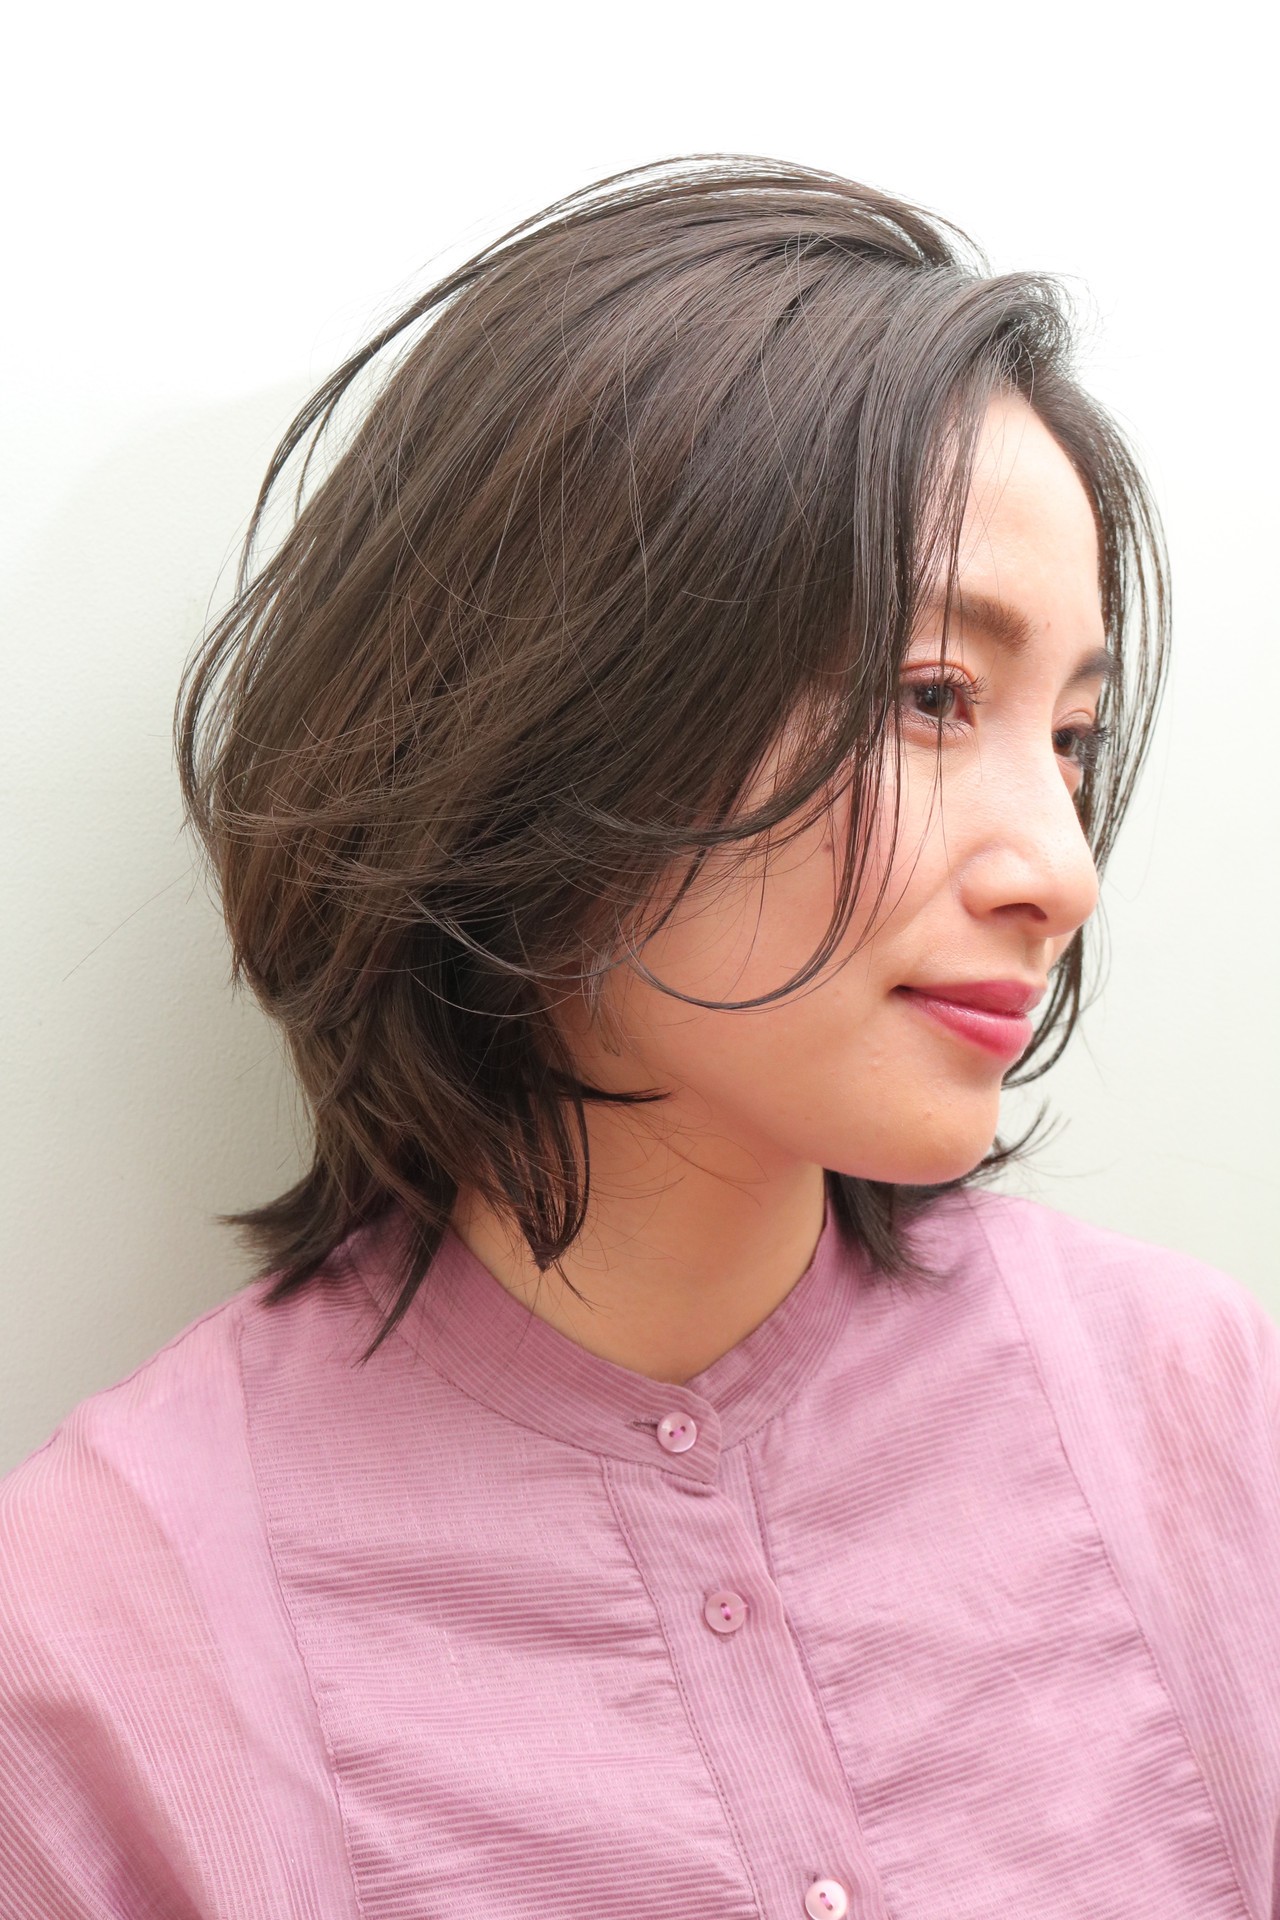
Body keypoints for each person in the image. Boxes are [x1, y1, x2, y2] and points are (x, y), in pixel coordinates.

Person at [1, 155, 1277, 1920]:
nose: (1061, 869)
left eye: (1070, 738)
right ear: (557, 705)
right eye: (933, 697)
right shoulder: (104, 1640)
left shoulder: (1205, 1416)